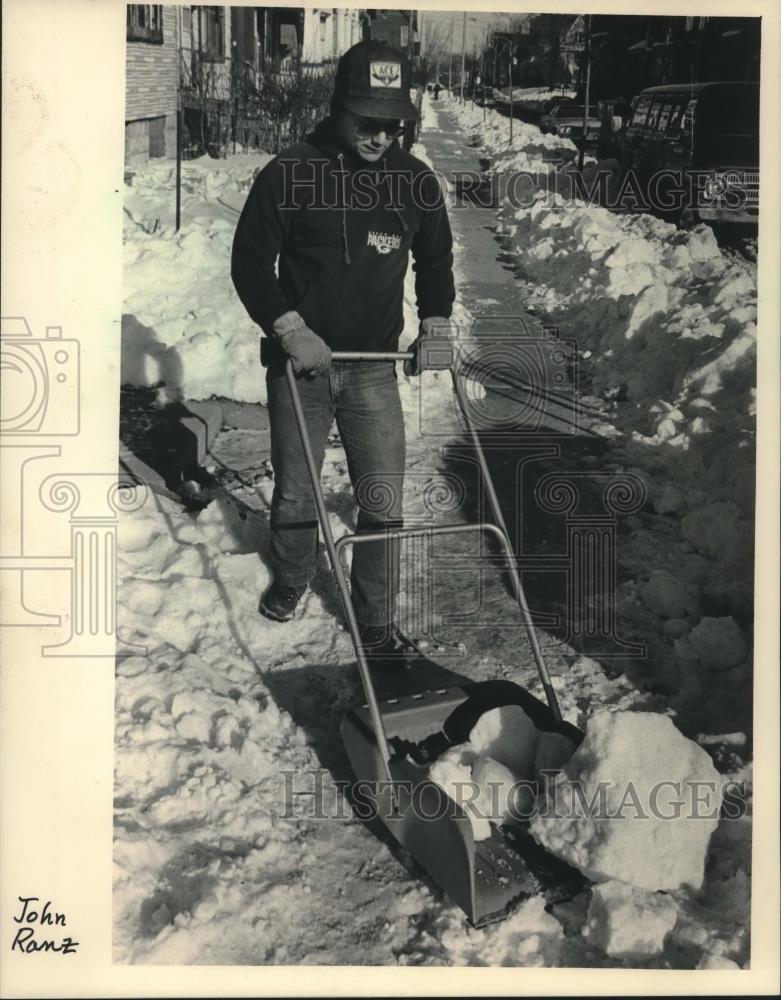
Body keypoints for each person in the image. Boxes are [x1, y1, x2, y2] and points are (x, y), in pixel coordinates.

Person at [231, 40, 455, 666]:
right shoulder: (290, 171)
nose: (381, 135)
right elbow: (250, 261)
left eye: (393, 124)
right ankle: (294, 575)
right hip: (299, 364)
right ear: (339, 109)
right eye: (368, 121)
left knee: (381, 494)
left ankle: (376, 614)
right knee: (297, 492)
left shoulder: (414, 182)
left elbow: (436, 260)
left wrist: (435, 323)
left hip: (373, 371)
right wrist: (287, 326)